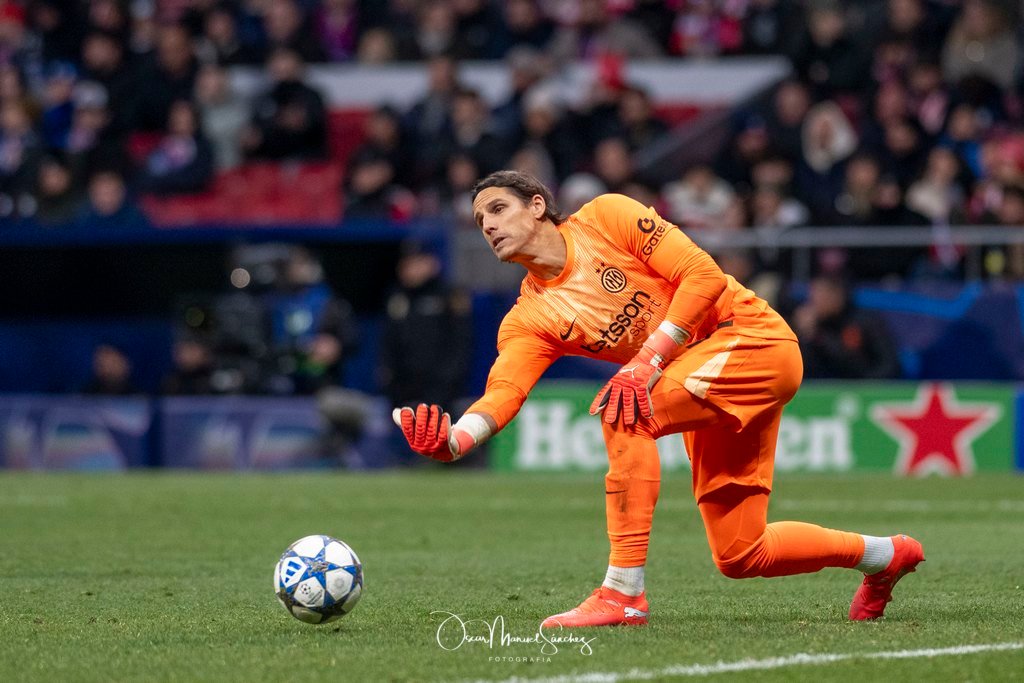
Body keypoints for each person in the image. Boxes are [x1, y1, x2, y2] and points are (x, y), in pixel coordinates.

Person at [393, 170, 924, 628]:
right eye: (478, 219)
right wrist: (455, 442)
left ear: (537, 206)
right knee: (741, 553)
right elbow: (504, 391)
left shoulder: (607, 217)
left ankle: (623, 592)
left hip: (750, 338)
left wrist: (647, 360)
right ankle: (886, 556)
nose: (487, 225)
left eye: (497, 209)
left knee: (625, 412)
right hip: (702, 380)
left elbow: (703, 275)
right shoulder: (528, 319)